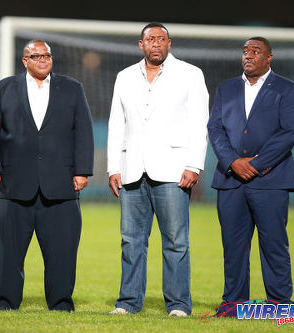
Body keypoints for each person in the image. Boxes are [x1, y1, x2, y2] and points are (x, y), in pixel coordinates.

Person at [0, 40, 94, 311]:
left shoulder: (72, 88)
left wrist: (82, 170)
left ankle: (61, 304)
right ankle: (6, 303)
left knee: (62, 254)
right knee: (7, 253)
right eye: (36, 56)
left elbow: (84, 132)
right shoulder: (4, 88)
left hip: (61, 186)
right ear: (25, 61)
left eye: (47, 55)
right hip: (12, 185)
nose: (42, 60)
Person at [107, 22, 209, 317]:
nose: (155, 43)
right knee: (130, 241)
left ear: (169, 43)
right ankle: (127, 303)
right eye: (150, 39)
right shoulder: (125, 76)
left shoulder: (190, 74)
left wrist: (194, 165)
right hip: (132, 170)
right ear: (141, 44)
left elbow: (199, 122)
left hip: (174, 171)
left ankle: (178, 305)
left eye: (161, 39)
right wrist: (114, 166)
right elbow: (117, 124)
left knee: (176, 241)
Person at [207, 37, 294, 316]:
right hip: (230, 180)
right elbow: (215, 129)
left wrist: (257, 164)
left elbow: (290, 132)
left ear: (269, 57)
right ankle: (234, 305)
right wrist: (232, 161)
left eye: (256, 51)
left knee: (273, 244)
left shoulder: (288, 89)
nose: (248, 55)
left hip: (271, 181)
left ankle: (281, 305)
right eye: (245, 51)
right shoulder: (226, 88)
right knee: (233, 247)